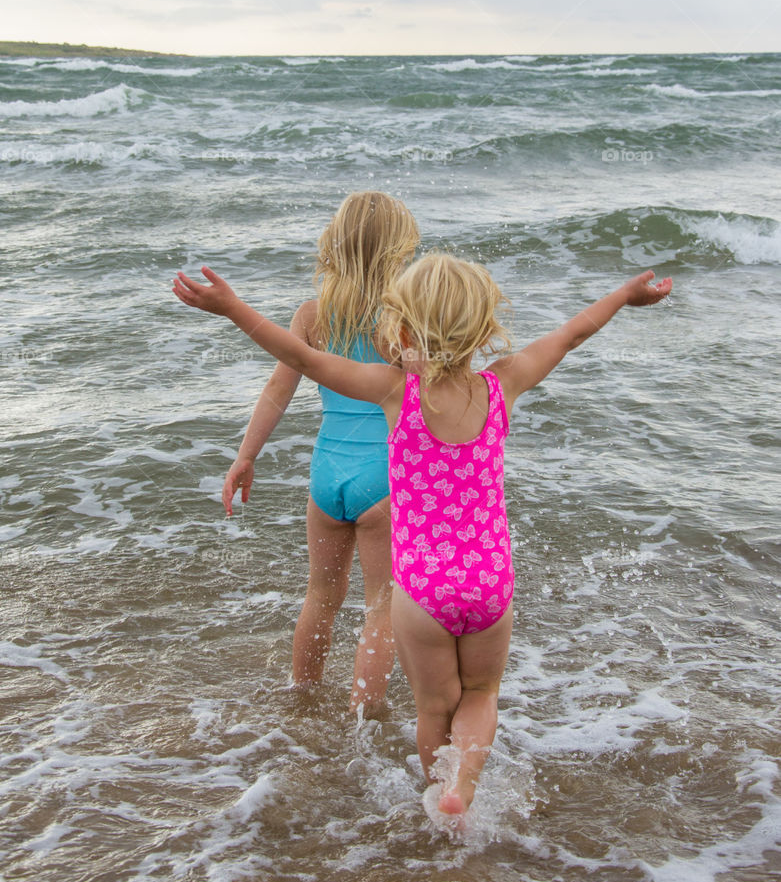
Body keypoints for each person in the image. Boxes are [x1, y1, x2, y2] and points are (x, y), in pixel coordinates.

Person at [172, 253, 672, 822]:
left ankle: (439, 803)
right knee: (481, 694)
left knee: (434, 709)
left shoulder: (395, 392)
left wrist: (233, 308)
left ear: (403, 329)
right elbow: (572, 333)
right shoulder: (503, 382)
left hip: (423, 590)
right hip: (489, 582)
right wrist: (624, 297)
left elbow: (301, 357)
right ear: (485, 329)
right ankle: (465, 782)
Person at [218, 192, 419, 716]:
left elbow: (277, 391)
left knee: (321, 598)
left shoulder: (313, 315)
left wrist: (245, 456)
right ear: (399, 251)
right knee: (382, 610)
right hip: (386, 476)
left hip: (327, 476)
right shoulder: (406, 319)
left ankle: (301, 699)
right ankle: (362, 722)